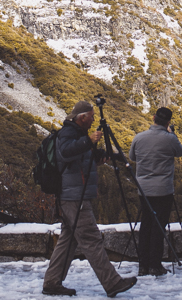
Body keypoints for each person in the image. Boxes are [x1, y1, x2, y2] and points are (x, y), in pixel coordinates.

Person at [42, 101, 137, 298]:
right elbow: (66, 152)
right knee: (91, 238)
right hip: (74, 196)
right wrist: (90, 141)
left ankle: (52, 282)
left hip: (71, 195)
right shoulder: (69, 133)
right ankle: (112, 283)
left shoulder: (77, 134)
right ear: (82, 117)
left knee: (68, 241)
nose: (94, 119)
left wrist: (105, 156)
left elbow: (82, 157)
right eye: (91, 116)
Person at [128, 107, 182, 276]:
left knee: (146, 224)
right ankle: (155, 265)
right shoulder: (169, 139)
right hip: (163, 189)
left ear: (153, 118)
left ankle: (143, 265)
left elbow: (132, 157)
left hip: (144, 189)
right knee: (159, 225)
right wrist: (172, 133)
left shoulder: (139, 138)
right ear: (168, 122)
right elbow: (180, 152)